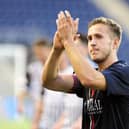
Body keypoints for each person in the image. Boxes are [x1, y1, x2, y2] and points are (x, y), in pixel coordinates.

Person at [42, 10, 129, 129]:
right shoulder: (90, 75)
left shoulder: (124, 72)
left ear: (115, 43)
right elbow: (50, 81)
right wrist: (57, 50)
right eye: (90, 38)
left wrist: (68, 41)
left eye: (99, 37)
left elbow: (89, 79)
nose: (92, 43)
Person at [52, 33, 96, 129]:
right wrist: (59, 123)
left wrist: (80, 121)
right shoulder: (69, 71)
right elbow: (68, 103)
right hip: (69, 123)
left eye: (77, 46)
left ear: (86, 48)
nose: (74, 49)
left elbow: (94, 102)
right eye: (73, 46)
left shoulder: (93, 70)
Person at [17, 39, 51, 129]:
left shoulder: (55, 68)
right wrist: (20, 103)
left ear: (48, 50)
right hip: (37, 106)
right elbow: (24, 87)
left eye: (41, 51)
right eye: (37, 52)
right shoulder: (32, 69)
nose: (39, 55)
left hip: (52, 106)